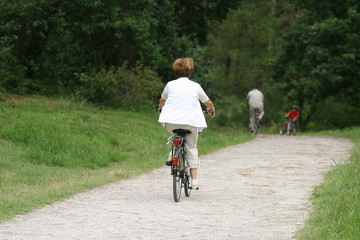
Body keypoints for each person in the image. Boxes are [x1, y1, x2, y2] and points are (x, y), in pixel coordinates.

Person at [158, 57, 215, 190]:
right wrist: (211, 110)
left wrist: (160, 109)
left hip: (171, 121)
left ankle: (173, 154)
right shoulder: (195, 86)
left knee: (175, 135)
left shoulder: (170, 85)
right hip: (191, 122)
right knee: (191, 147)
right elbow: (207, 102)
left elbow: (162, 99)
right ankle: (194, 181)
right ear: (190, 71)